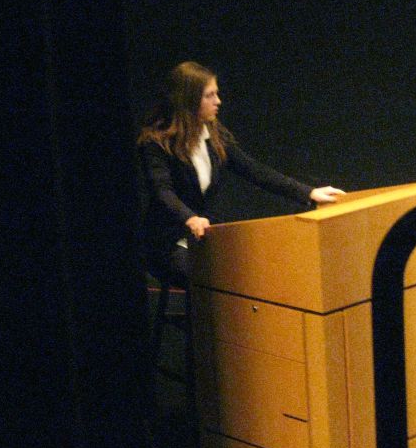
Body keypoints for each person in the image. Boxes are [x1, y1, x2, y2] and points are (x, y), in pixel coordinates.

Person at [137, 61, 344, 285]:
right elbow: (162, 191)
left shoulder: (213, 137)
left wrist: (308, 192)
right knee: (211, 279)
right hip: (166, 242)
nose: (218, 101)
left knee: (253, 272)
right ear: (189, 100)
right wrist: (190, 218)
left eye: (217, 94)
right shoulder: (156, 143)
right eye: (210, 95)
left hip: (202, 239)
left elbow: (254, 170)